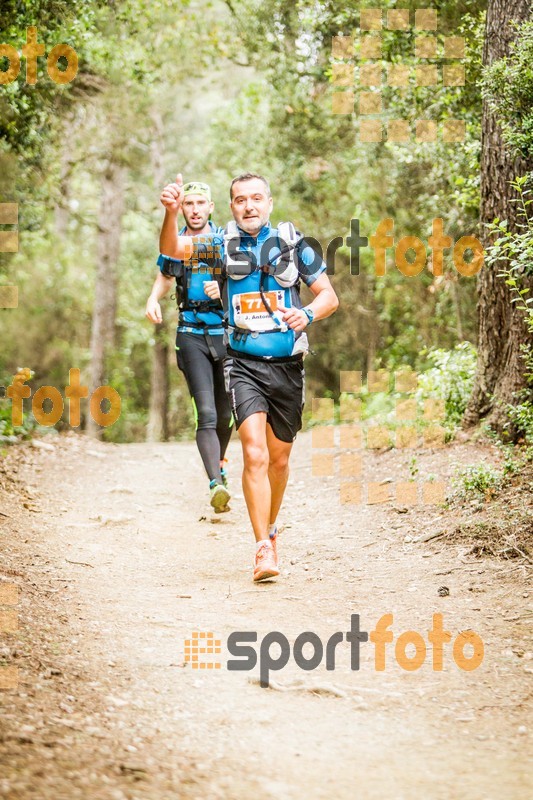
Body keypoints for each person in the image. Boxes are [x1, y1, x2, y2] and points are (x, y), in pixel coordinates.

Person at [159, 172, 339, 581]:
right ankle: (261, 548)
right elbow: (171, 248)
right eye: (240, 200)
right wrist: (171, 214)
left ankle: (271, 529)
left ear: (270, 203)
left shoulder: (296, 245)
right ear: (232, 206)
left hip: (288, 366)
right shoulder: (219, 246)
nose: (249, 206)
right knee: (253, 453)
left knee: (279, 460)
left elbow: (329, 296)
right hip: (242, 364)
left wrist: (307, 313)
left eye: (256, 198)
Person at [146, 178, 233, 512]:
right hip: (191, 333)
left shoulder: (225, 240)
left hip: (225, 334)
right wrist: (153, 298)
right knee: (207, 412)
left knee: (226, 414)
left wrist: (222, 285)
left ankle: (220, 462)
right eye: (189, 204)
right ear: (182, 208)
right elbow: (166, 274)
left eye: (200, 204)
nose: (194, 210)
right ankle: (216, 484)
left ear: (211, 207)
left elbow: (244, 275)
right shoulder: (177, 241)